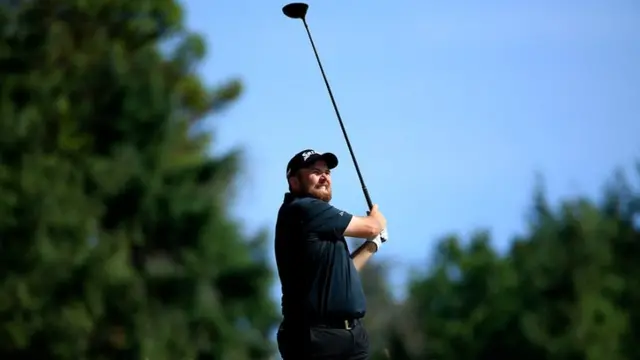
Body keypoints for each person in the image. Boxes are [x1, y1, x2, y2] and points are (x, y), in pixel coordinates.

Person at [275, 149, 388, 360]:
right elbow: (372, 226)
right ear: (295, 182)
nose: (324, 177)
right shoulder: (303, 209)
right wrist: (377, 219)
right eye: (315, 171)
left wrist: (372, 245)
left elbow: (344, 271)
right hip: (314, 338)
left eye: (327, 172)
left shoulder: (318, 222)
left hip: (350, 337)